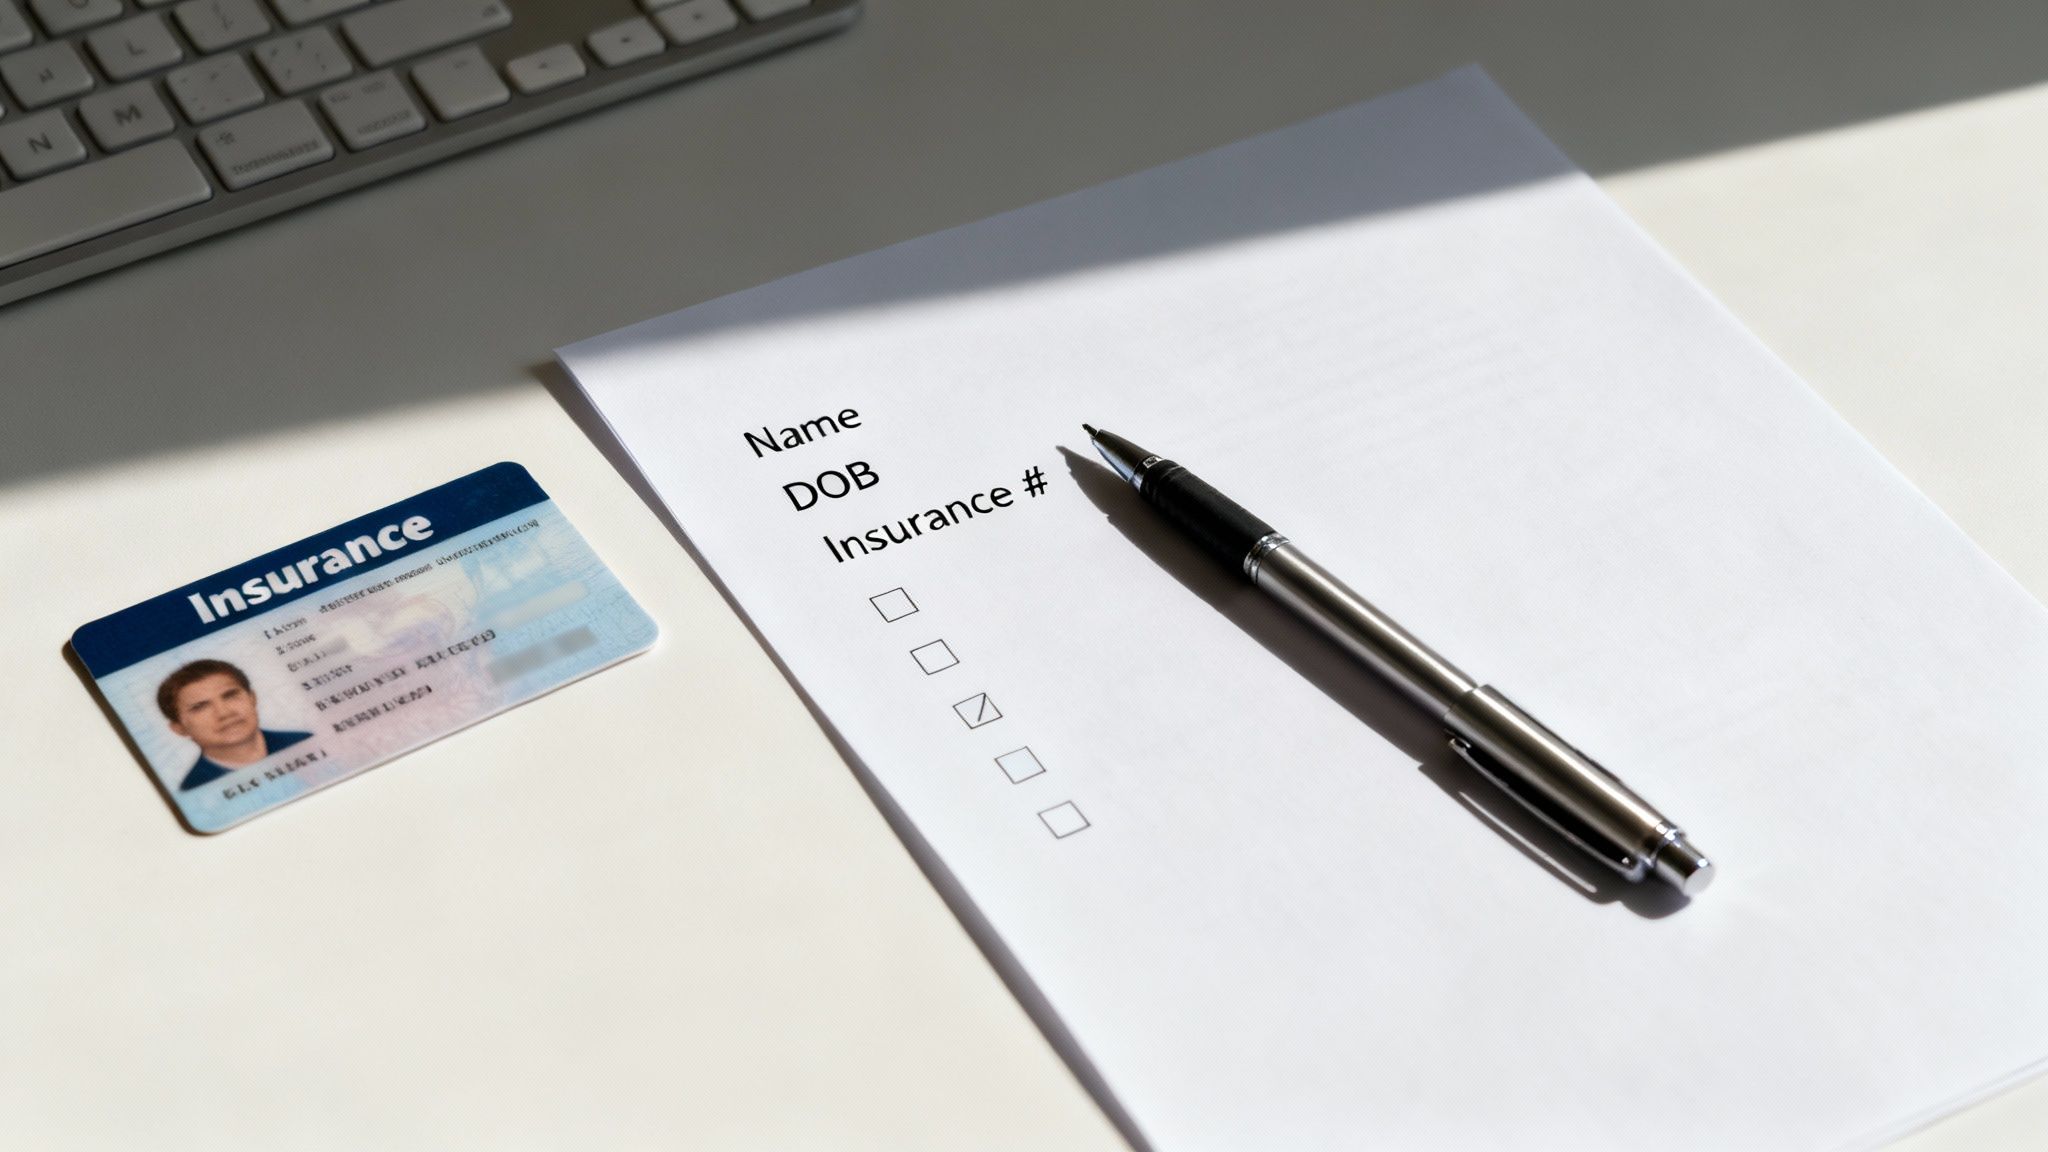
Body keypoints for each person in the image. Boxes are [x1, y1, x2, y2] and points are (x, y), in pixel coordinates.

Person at [155, 660, 310, 792]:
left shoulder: (307, 741)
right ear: (179, 728)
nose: (224, 713)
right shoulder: (195, 790)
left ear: (252, 699)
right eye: (200, 707)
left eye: (230, 696)